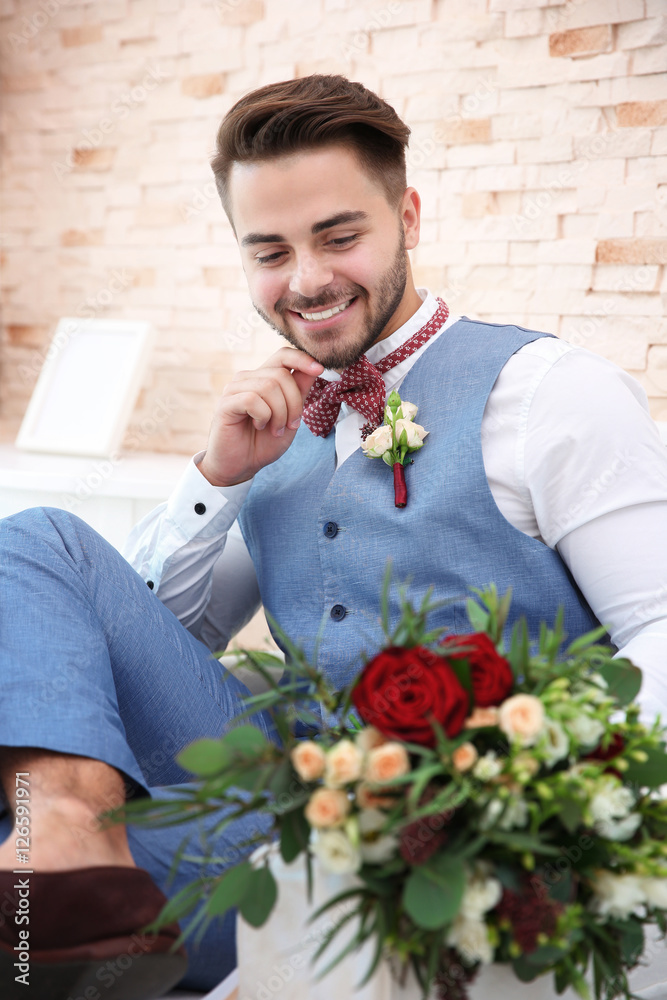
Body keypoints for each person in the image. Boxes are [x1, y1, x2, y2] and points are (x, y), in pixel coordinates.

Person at [1, 73, 666, 999]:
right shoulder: (276, 420)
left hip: (440, 840)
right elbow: (146, 644)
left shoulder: (551, 393)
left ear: (409, 216)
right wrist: (216, 479)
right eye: (268, 251)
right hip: (268, 798)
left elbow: (659, 629)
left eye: (339, 236)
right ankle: (68, 833)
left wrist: (523, 811)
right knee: (35, 542)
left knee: (24, 940)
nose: (306, 280)